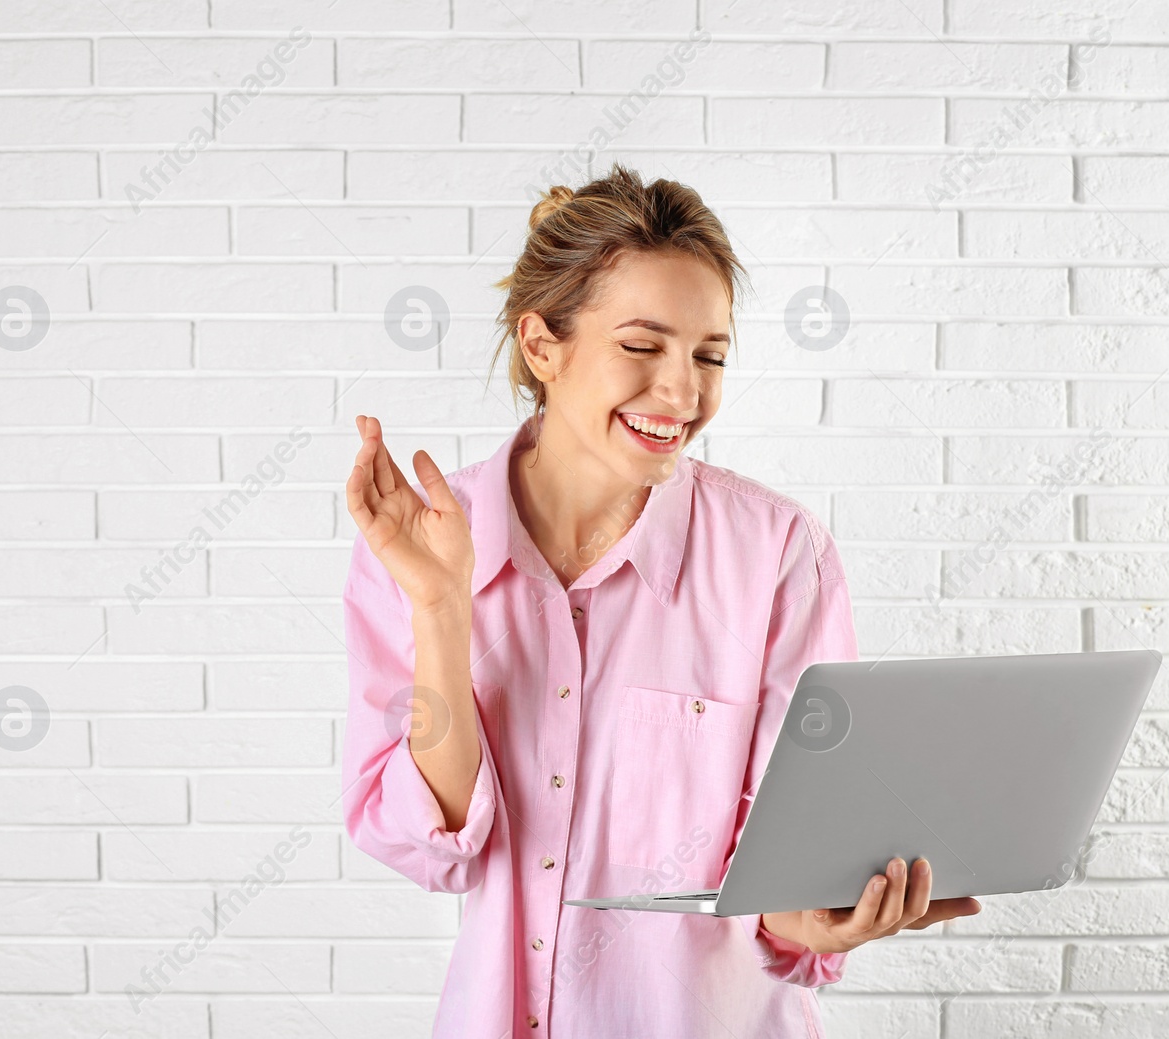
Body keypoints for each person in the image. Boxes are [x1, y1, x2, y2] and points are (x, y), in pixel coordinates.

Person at [341, 163, 981, 1038]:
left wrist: (828, 914)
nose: (682, 393)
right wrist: (444, 611)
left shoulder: (778, 558)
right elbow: (435, 845)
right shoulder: (417, 546)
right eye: (642, 347)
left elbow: (780, 877)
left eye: (710, 355)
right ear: (542, 346)